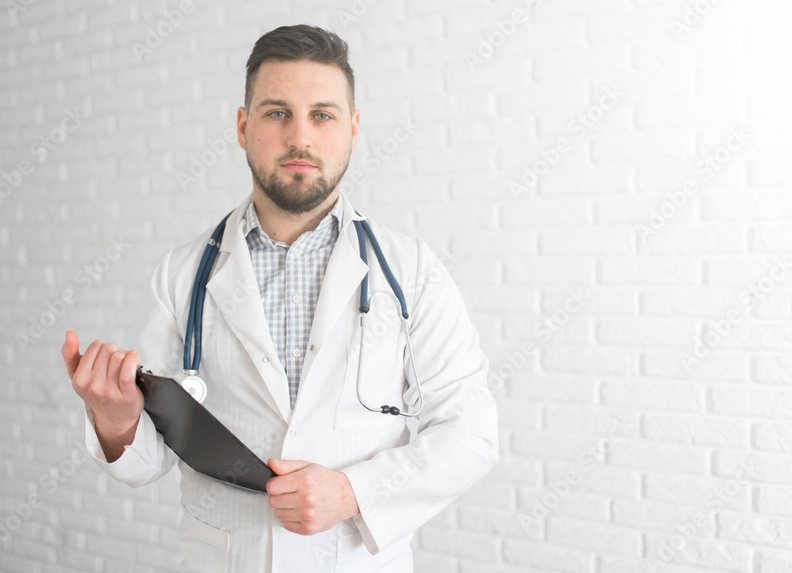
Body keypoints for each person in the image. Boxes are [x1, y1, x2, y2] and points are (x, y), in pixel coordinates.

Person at [61, 24, 499, 573]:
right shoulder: (181, 276)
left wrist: (351, 492)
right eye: (276, 113)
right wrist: (116, 419)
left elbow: (470, 434)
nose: (300, 138)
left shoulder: (413, 272)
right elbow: (146, 460)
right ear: (243, 127)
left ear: (353, 129)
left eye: (322, 115)